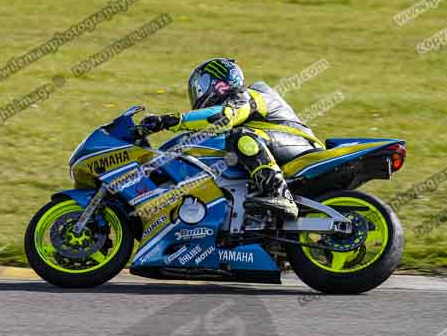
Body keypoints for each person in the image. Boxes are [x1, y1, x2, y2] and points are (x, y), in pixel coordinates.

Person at [139, 58, 325, 219]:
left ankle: (280, 194)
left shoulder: (248, 96)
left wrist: (169, 121)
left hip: (300, 145)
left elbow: (223, 117)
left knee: (240, 137)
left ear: (214, 84)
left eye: (200, 87)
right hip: (279, 146)